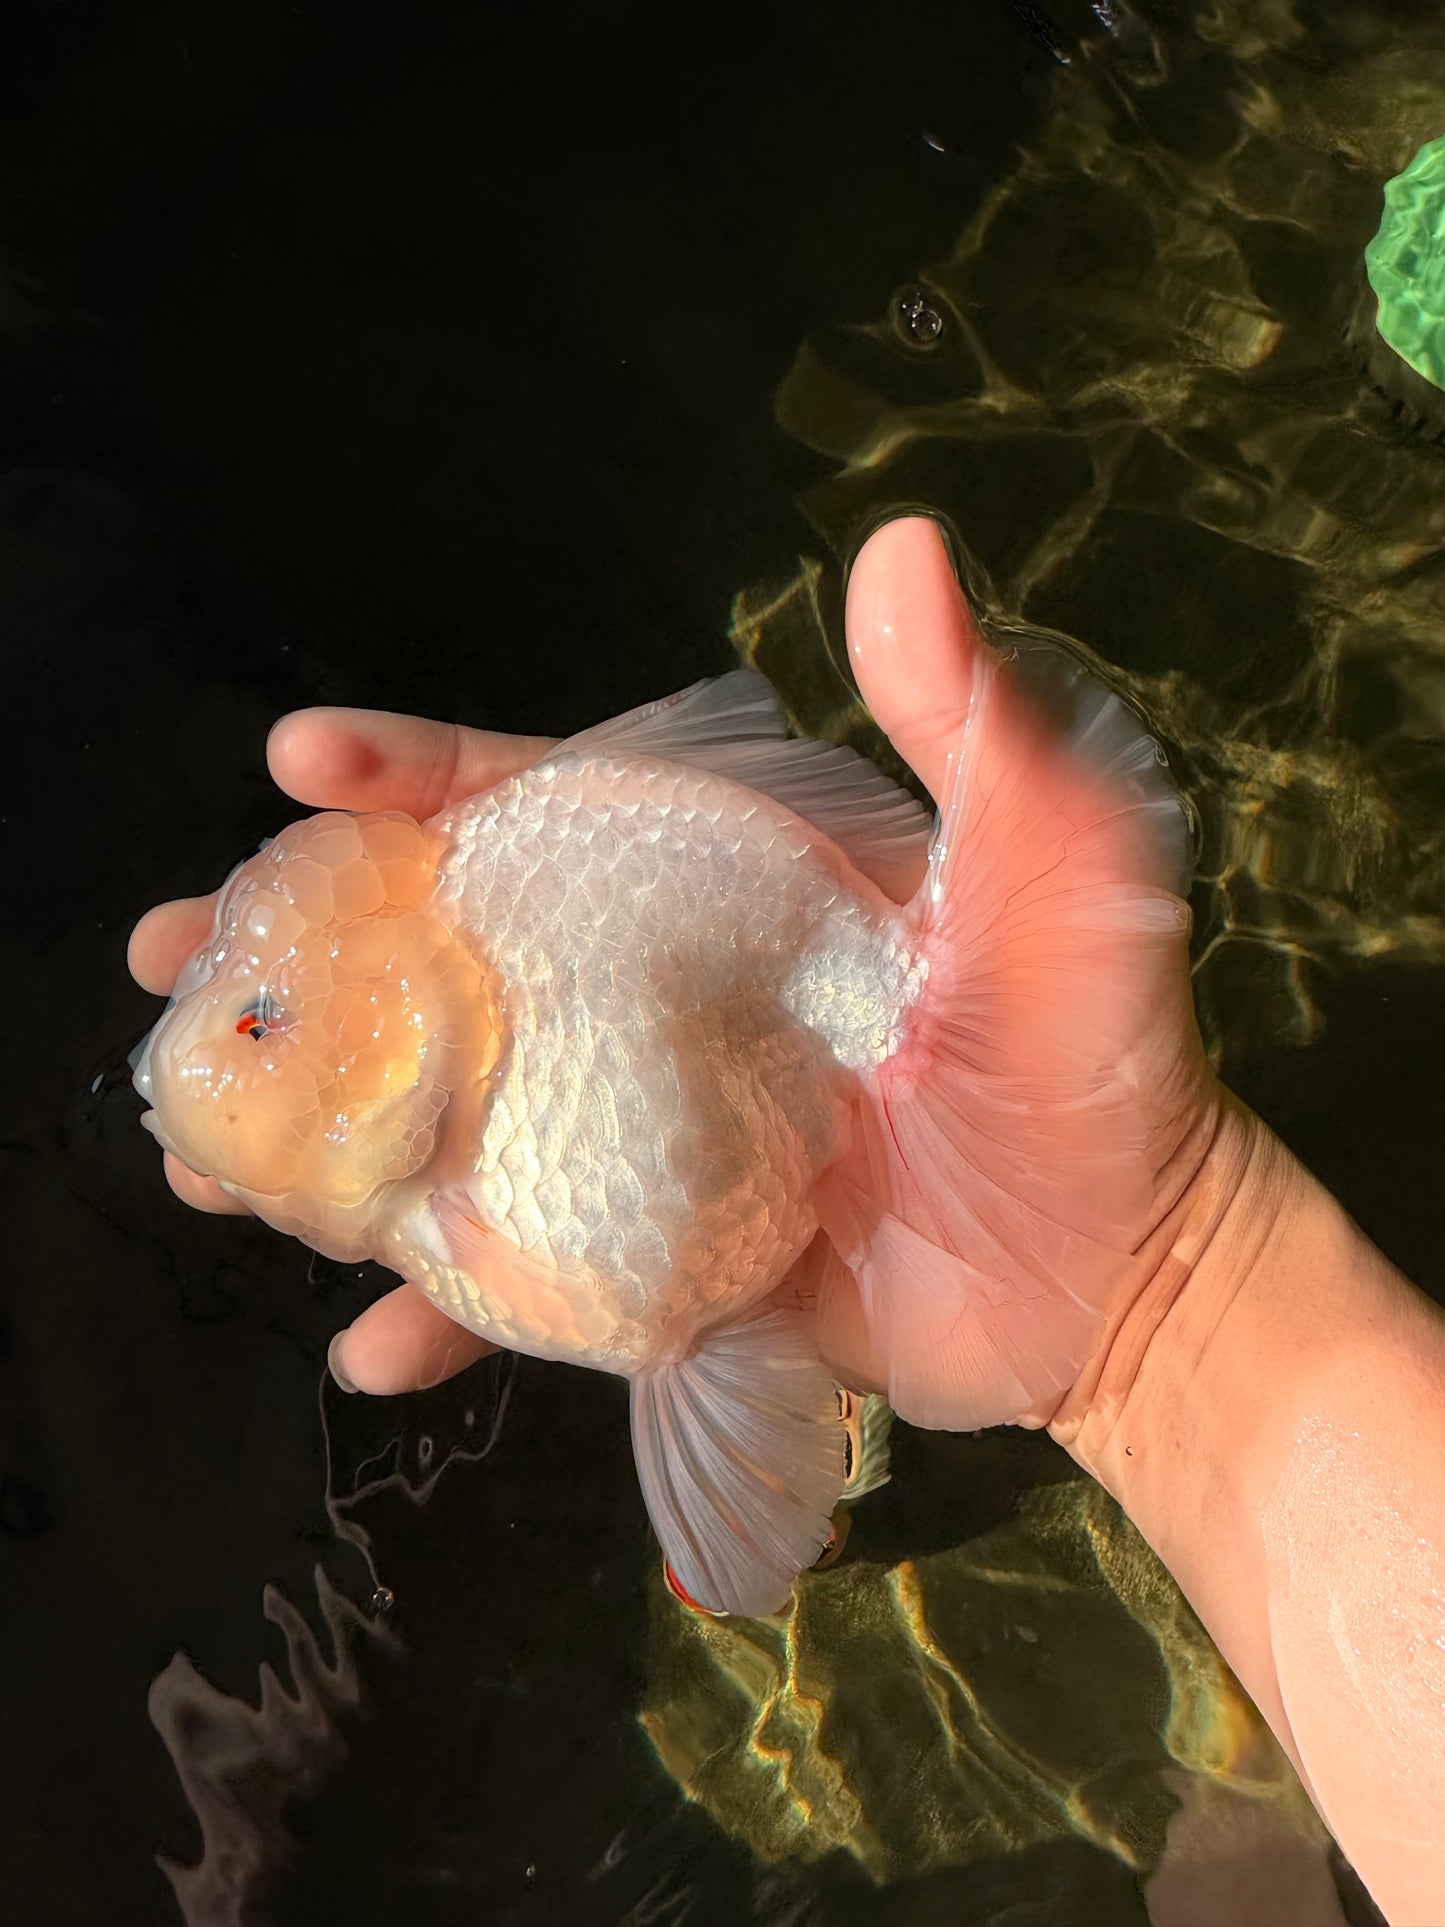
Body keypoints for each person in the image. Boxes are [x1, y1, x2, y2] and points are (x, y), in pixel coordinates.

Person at [128, 516, 1445, 1925]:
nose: (193, 1051)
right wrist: (1170, 1305)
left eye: (259, 1019)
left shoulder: (459, 1075)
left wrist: (1161, 1288)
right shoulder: (427, 1092)